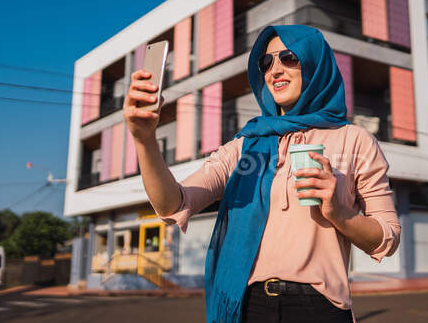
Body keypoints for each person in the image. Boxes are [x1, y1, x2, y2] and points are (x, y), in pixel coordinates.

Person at [124, 25, 401, 323]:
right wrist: (144, 140)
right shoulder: (244, 146)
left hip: (320, 308)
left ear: (315, 63)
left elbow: (388, 237)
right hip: (249, 308)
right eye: (266, 63)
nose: (275, 71)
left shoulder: (354, 140)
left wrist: (339, 211)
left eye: (288, 58)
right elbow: (172, 203)